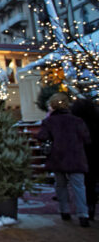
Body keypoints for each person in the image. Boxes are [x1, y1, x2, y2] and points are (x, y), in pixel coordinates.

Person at [37, 92, 91, 227]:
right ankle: (83, 214)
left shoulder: (49, 122)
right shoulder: (77, 121)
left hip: (58, 156)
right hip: (76, 157)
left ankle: (64, 210)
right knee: (79, 187)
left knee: (61, 185)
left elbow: (42, 136)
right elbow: (86, 139)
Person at [71, 97, 99, 220]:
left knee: (87, 182)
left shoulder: (76, 123)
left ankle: (89, 207)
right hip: (93, 153)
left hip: (83, 154)